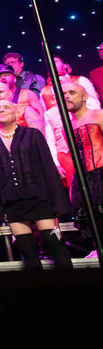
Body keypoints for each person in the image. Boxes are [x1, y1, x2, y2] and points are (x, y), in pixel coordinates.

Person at [0, 101, 73, 270]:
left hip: (39, 198)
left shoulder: (32, 135)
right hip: (13, 203)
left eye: (6, 107)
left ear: (17, 113)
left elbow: (48, 166)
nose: (1, 110)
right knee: (27, 251)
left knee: (54, 243)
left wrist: (58, 202)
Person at [63, 81, 103, 240]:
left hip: (101, 171)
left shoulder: (99, 114)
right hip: (83, 179)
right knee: (94, 224)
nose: (66, 97)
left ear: (85, 96)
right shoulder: (68, 126)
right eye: (64, 94)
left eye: (71, 93)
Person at [0, 65, 46, 132]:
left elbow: (42, 118)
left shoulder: (28, 94)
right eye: (0, 77)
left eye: (6, 75)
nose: (3, 78)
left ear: (15, 79)